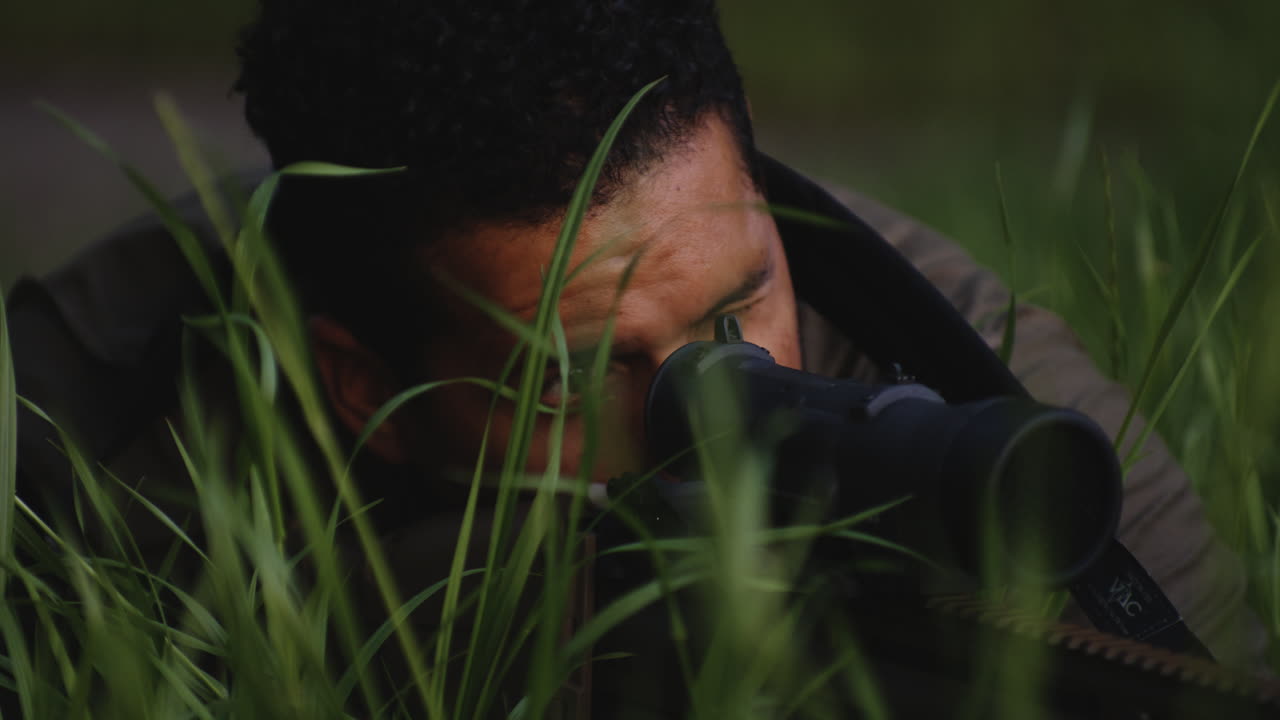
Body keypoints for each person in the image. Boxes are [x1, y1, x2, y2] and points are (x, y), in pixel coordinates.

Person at [6, 0, 1268, 714]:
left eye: (742, 302)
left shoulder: (1014, 440)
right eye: (573, 375)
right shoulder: (85, 411)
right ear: (366, 389)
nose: (716, 402)